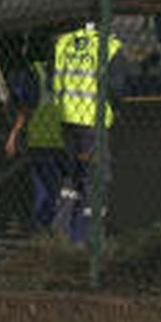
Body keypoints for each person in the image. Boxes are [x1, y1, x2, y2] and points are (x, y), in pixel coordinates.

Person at [51, 21, 119, 243]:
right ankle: (90, 237)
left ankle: (61, 232)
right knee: (96, 179)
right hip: (92, 121)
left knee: (71, 177)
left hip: (67, 118)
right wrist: (118, 108)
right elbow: (117, 85)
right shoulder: (108, 45)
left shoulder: (64, 43)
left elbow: (55, 83)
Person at [4, 50, 69, 231]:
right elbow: (26, 108)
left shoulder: (36, 73)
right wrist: (14, 136)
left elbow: (26, 108)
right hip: (58, 142)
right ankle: (47, 229)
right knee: (52, 191)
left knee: (42, 190)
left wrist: (13, 136)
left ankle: (42, 229)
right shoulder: (70, 75)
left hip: (40, 141)